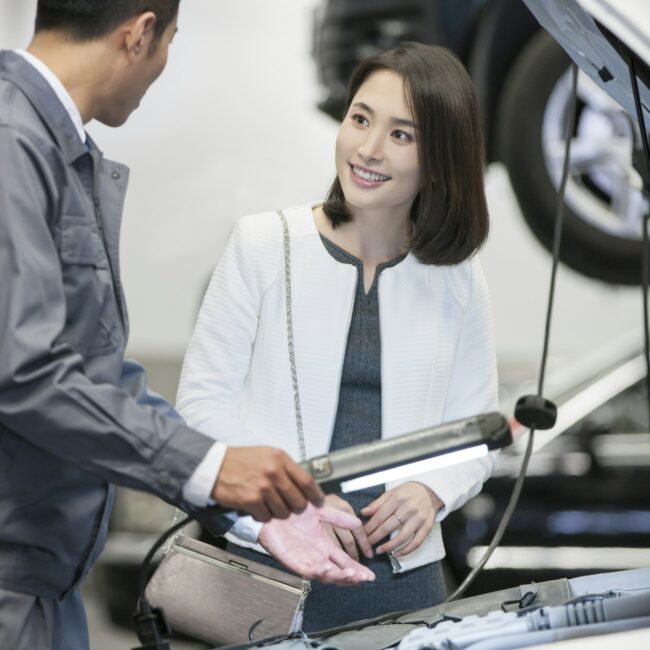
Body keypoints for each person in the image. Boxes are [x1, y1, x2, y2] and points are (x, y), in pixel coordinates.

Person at [0, 2, 373, 649]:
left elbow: (99, 379)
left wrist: (251, 509)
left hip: (44, 587)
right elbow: (26, 374)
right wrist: (210, 466)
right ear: (140, 33)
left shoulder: (60, 150)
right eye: (170, 42)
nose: (162, 66)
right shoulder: (11, 140)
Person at [177, 41, 499, 631]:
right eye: (360, 119)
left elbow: (478, 429)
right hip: (268, 569)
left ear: (443, 155)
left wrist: (430, 490)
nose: (368, 149)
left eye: (403, 134)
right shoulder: (261, 244)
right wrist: (285, 504)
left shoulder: (457, 278)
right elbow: (199, 409)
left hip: (407, 586)